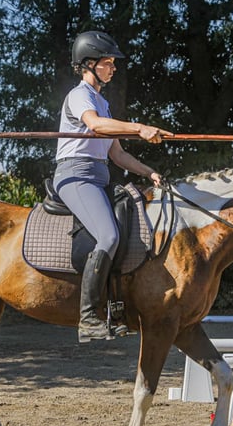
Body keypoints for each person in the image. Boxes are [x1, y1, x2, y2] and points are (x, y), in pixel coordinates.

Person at [53, 30, 172, 343]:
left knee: (128, 228)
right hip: (76, 176)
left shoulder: (102, 102)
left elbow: (116, 153)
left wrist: (149, 172)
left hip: (100, 176)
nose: (113, 67)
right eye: (108, 63)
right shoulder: (80, 96)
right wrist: (140, 127)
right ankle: (89, 316)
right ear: (89, 64)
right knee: (108, 235)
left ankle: (116, 309)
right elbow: (94, 125)